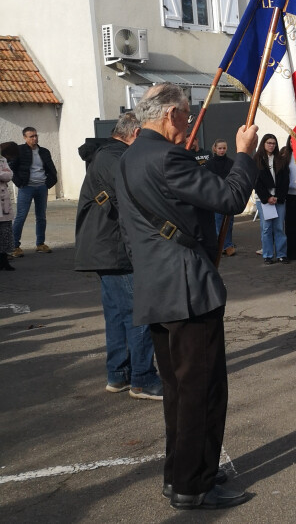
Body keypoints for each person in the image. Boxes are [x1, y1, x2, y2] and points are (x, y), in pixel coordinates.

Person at [117, 83, 258, 510]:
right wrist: (245, 154)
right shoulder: (167, 156)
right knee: (202, 390)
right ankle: (194, 485)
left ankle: (179, 473)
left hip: (157, 285)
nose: (189, 120)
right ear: (170, 114)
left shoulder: (129, 156)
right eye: (187, 113)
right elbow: (230, 198)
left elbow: (131, 232)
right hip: (187, 289)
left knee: (178, 391)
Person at [74, 113, 163, 400]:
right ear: (136, 134)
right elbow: (135, 194)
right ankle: (142, 378)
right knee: (139, 313)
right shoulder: (114, 156)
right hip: (114, 248)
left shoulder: (108, 154)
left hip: (106, 247)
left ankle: (119, 374)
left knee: (117, 314)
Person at [10, 126, 58, 257]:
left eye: (36, 135)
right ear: (25, 138)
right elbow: (11, 168)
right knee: (21, 216)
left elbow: (51, 169)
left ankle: (40, 244)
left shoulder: (44, 151)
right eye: (31, 136)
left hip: (42, 187)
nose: (35, 138)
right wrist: (19, 183)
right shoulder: (19, 150)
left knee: (41, 216)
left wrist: (48, 183)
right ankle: (14, 246)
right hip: (26, 188)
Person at [253, 134, 289, 265]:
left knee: (279, 227)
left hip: (278, 198)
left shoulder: (280, 160)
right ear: (263, 143)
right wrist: (267, 197)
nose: (271, 145)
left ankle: (281, 254)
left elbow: (285, 180)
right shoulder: (256, 160)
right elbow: (256, 181)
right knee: (266, 228)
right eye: (269, 143)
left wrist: (278, 197)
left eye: (273, 143)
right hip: (264, 199)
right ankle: (267, 255)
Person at [206, 140, 237, 257]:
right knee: (218, 221)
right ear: (215, 149)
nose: (222, 150)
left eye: (224, 148)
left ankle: (227, 245)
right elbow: (208, 181)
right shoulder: (210, 164)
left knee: (229, 222)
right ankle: (221, 245)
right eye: (220, 148)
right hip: (216, 196)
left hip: (229, 196)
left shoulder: (231, 163)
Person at [0, 142, 16, 271]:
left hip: (3, 202)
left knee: (5, 233)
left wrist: (3, 174)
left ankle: (4, 261)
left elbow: (9, 175)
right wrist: (2, 174)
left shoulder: (2, 160)